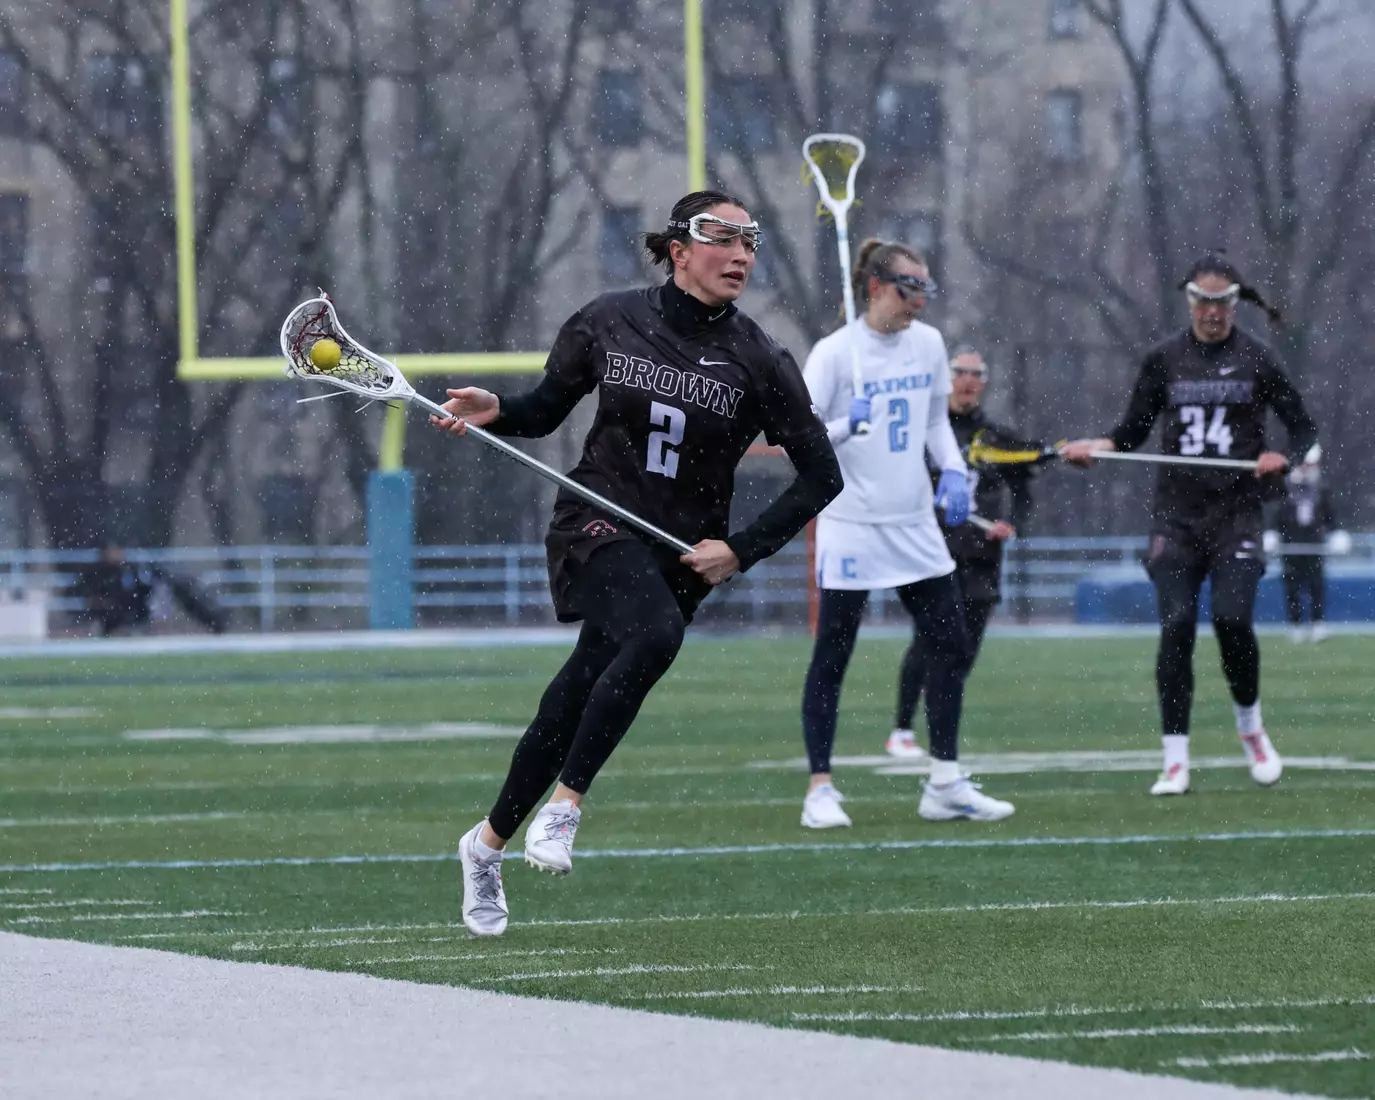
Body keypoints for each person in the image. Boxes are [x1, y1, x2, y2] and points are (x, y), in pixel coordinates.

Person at [431, 190, 843, 937]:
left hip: (683, 549)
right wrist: (497, 408)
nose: (742, 255)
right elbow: (547, 407)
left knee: (576, 693)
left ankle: (484, 844)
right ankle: (566, 807)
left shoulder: (760, 358)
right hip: (597, 518)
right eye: (724, 239)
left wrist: (742, 550)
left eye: (751, 242)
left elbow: (823, 477)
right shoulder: (607, 319)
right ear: (679, 249)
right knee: (654, 637)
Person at [1063, 252, 1319, 796]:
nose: (1211, 311)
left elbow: (1303, 430)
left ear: (1235, 303)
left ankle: (1250, 729)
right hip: (1177, 517)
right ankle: (1174, 758)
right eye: (1202, 300)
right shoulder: (1163, 360)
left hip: (1237, 516)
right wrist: (1098, 448)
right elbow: (1130, 431)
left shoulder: (1259, 359)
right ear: (1189, 300)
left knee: (1231, 622)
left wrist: (1284, 459)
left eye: (1222, 302)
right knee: (1176, 625)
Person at [797, 238, 1014, 830]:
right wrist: (846, 424)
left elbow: (936, 424)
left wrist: (953, 472)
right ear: (874, 288)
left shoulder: (929, 345)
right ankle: (820, 788)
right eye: (906, 288)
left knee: (950, 644)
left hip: (914, 524)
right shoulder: (835, 353)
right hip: (853, 526)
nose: (918, 300)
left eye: (923, 288)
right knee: (833, 655)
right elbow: (802, 438)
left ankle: (944, 781)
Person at [886, 347, 1035, 759]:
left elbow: (1024, 487)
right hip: (933, 551)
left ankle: (941, 726)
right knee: (929, 639)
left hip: (982, 558)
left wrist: (1014, 525)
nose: (967, 380)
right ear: (947, 377)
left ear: (984, 382)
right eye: (960, 372)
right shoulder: (926, 430)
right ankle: (901, 730)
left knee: (965, 648)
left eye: (976, 373)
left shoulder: (994, 437)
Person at [1268, 463, 1340, 643]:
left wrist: (1336, 533)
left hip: (1314, 546)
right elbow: (1277, 515)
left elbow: (1329, 515)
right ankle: (1295, 624)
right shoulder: (1285, 488)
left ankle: (1318, 624)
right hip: (1291, 547)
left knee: (1316, 586)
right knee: (1292, 587)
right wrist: (1273, 532)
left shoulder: (1321, 488)